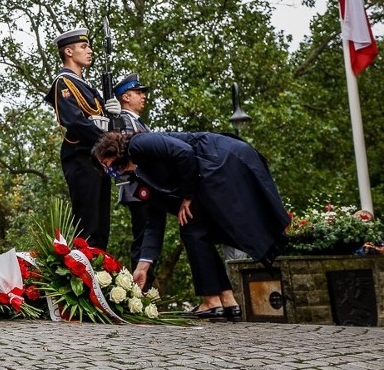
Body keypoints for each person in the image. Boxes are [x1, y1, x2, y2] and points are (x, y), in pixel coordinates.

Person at [92, 131, 290, 321]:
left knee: (192, 229)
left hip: (221, 160)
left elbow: (184, 152)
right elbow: (154, 221)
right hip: (207, 177)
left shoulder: (139, 144)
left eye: (104, 162)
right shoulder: (140, 176)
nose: (107, 169)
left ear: (111, 150)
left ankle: (212, 301)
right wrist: (143, 266)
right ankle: (227, 301)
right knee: (196, 230)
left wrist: (188, 196)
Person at [44, 28, 121, 249]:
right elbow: (75, 122)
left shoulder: (86, 85)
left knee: (101, 224)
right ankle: (85, 274)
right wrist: (110, 141)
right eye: (84, 47)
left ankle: (100, 273)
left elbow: (98, 118)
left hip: (98, 156)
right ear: (69, 51)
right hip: (82, 156)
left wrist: (113, 114)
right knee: (87, 225)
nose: (90, 51)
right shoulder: (63, 83)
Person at [111, 73, 156, 289]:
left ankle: (146, 289)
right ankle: (141, 290)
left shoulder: (137, 121)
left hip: (145, 187)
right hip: (138, 187)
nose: (143, 96)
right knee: (143, 238)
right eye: (138, 92)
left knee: (148, 236)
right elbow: (128, 154)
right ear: (125, 97)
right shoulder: (123, 120)